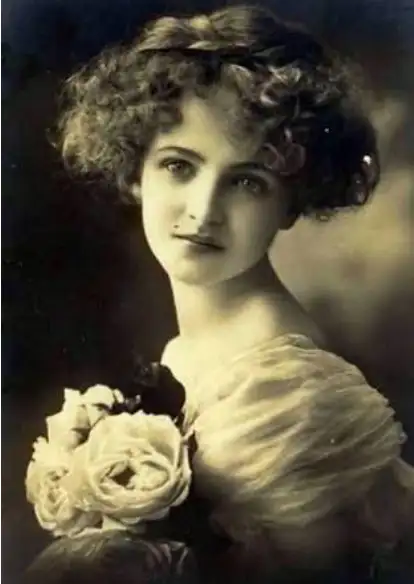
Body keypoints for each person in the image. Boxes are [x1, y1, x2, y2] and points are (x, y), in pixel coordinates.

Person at [25, 4, 413, 583]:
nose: (204, 211)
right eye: (179, 166)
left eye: (248, 182)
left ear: (292, 203)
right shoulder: (195, 348)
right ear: (135, 170)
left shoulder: (280, 391)